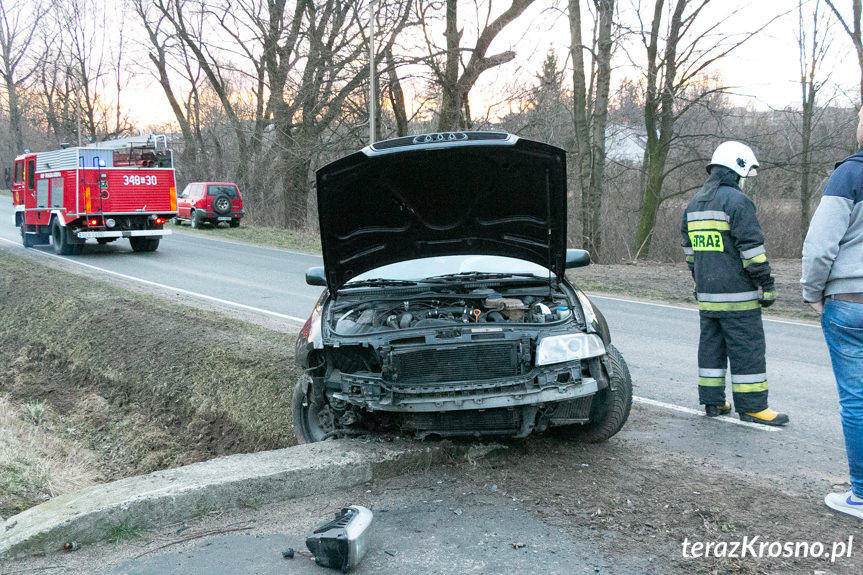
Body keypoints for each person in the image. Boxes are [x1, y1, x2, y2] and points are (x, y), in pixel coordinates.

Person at [681, 141, 789, 426]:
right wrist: (766, 285)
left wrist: (701, 280)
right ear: (737, 168)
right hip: (738, 297)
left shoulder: (694, 204)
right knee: (747, 349)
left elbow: (690, 252)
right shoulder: (738, 202)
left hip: (708, 295)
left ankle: (713, 401)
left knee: (711, 348)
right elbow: (752, 251)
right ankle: (753, 407)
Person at [802, 106, 863, 519]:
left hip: (852, 303)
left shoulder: (850, 175)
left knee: (857, 400)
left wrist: (813, 292)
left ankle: (861, 495)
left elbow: (821, 244)